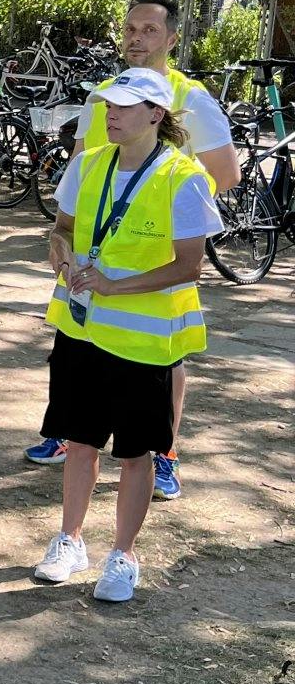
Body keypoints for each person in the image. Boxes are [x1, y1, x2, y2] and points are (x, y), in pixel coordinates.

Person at [24, 0, 238, 497]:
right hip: (94, 258)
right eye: (130, 29)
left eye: (149, 30)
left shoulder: (191, 98)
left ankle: (164, 454)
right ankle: (72, 435)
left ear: (171, 37)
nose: (137, 38)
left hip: (155, 256)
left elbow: (225, 174)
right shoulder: (107, 91)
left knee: (162, 357)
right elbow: (82, 159)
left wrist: (165, 206)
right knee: (83, 350)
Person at [31, 67, 220, 603]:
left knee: (135, 455)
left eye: (123, 107)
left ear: (156, 116)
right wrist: (58, 246)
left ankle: (123, 555)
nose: (110, 114)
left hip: (143, 343)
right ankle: (69, 540)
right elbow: (64, 226)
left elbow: (190, 266)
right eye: (107, 105)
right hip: (81, 332)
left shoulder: (183, 177)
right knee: (80, 442)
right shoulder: (87, 164)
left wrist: (118, 287)